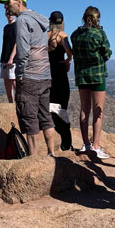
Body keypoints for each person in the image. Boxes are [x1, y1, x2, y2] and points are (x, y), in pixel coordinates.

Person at [0, 0, 57, 157]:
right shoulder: (39, 20)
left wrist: (20, 73)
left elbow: (23, 50)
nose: (6, 8)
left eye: (8, 3)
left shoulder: (22, 21)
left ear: (18, 1)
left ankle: (32, 161)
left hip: (30, 76)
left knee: (30, 120)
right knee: (45, 117)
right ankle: (51, 154)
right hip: (45, 75)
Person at [70, 7, 112, 160]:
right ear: (97, 18)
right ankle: (95, 146)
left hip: (82, 75)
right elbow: (107, 53)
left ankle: (85, 144)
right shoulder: (99, 34)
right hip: (98, 75)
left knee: (84, 109)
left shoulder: (75, 35)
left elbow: (74, 52)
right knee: (97, 110)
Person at [47, 11, 74, 151]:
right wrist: (68, 60)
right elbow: (69, 51)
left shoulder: (45, 36)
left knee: (50, 106)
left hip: (47, 73)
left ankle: (56, 140)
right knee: (62, 107)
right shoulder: (62, 36)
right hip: (60, 74)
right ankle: (66, 142)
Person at [0, 10, 17, 102]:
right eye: (8, 13)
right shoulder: (6, 27)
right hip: (4, 58)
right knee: (6, 82)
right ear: (5, 14)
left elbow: (17, 43)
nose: (10, 15)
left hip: (13, 59)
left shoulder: (17, 25)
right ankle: (11, 104)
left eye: (11, 13)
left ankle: (20, 104)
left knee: (14, 81)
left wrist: (11, 57)